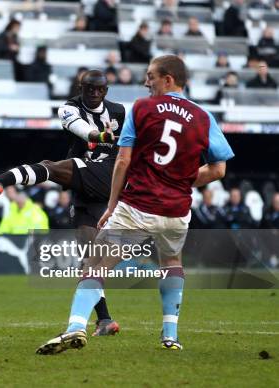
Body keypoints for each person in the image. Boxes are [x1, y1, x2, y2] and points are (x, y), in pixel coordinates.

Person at [35, 55, 234, 354]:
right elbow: (218, 170)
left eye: (151, 76)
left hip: (138, 207)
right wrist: (178, 182)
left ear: (168, 79)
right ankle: (170, 337)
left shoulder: (142, 108)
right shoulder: (204, 116)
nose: (145, 82)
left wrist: (112, 205)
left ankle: (76, 327)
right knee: (171, 264)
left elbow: (123, 161)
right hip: (177, 212)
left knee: (95, 263)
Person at [0, 70, 125, 336]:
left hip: (107, 174)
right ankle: (104, 319)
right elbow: (83, 130)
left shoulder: (119, 112)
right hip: (85, 188)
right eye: (89, 89)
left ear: (106, 91)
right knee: (88, 260)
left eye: (99, 89)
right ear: (81, 88)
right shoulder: (69, 109)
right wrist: (100, 136)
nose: (94, 93)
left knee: (49, 167)